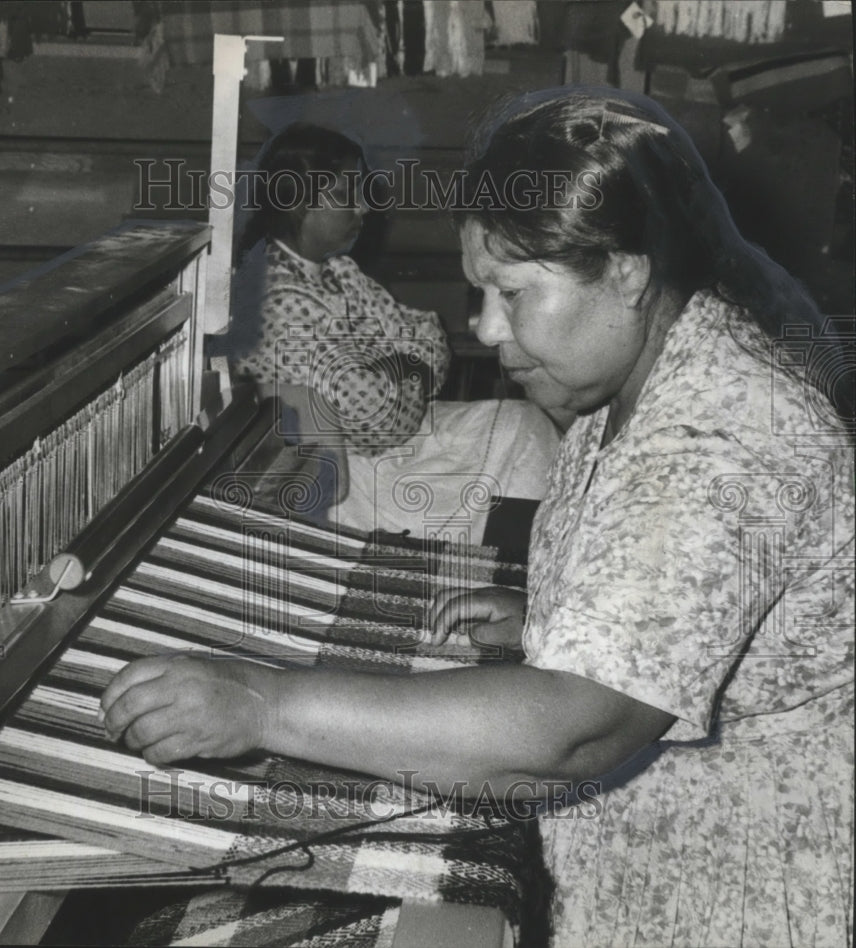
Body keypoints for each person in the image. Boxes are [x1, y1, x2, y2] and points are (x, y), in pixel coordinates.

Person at [102, 88, 854, 946]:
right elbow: (684, 593)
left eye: (512, 293)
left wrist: (262, 703)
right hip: (659, 845)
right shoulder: (654, 369)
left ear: (627, 270)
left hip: (736, 883)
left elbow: (575, 733)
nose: (486, 328)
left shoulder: (720, 431)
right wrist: (560, 620)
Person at [217, 122, 560, 540]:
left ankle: (516, 568)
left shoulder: (340, 271)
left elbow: (430, 335)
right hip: (347, 471)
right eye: (348, 195)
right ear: (299, 202)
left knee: (521, 424)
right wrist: (406, 362)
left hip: (399, 435)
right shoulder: (272, 297)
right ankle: (495, 569)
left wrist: (393, 367)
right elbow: (374, 422)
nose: (363, 208)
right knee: (511, 451)